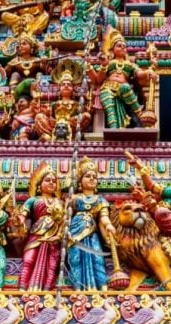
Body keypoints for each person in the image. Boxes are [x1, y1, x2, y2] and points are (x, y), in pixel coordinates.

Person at [88, 29, 158, 128]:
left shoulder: (129, 64)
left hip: (122, 88)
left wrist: (148, 71)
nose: (122, 48)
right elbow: (99, 79)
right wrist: (104, 65)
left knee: (125, 87)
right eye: (119, 46)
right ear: (112, 49)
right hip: (107, 88)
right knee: (110, 109)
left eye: (124, 46)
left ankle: (140, 114)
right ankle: (114, 130)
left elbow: (139, 73)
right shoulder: (110, 62)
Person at [17, 164, 66, 290]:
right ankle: (22, 288)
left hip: (54, 236)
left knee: (52, 265)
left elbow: (64, 221)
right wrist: (19, 221)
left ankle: (47, 290)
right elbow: (23, 215)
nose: (51, 183)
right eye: (47, 180)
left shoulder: (61, 203)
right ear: (39, 185)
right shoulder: (33, 200)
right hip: (37, 234)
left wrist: (59, 235)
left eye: (54, 181)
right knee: (29, 260)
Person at [66, 158, 112, 291]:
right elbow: (66, 217)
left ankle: (102, 288)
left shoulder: (100, 200)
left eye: (94, 177)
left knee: (97, 259)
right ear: (80, 181)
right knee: (76, 259)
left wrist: (108, 225)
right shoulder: (74, 198)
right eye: (87, 176)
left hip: (92, 234)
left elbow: (104, 217)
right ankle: (78, 289)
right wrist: (66, 231)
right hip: (75, 232)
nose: (92, 179)